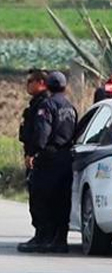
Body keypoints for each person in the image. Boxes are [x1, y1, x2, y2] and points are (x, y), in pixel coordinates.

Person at [19, 71, 78, 253]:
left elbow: (42, 133)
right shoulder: (70, 106)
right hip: (66, 157)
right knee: (62, 200)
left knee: (42, 198)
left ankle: (43, 238)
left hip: (49, 159)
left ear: (46, 84)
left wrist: (34, 153)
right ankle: (59, 240)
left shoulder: (47, 105)